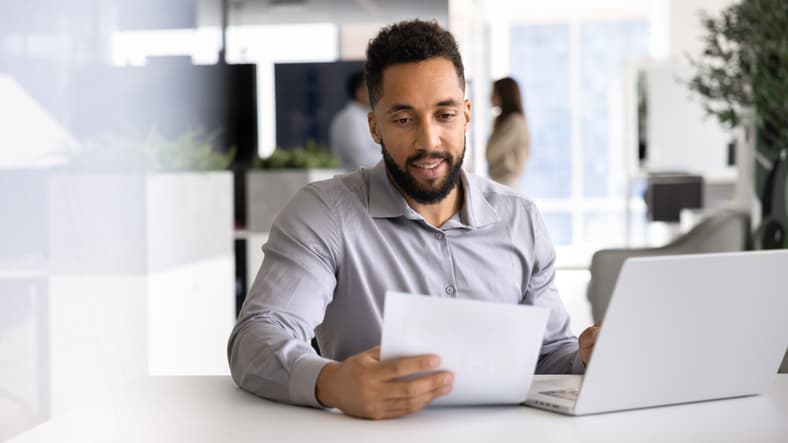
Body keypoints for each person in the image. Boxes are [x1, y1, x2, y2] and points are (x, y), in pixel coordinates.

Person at [228, 19, 599, 421]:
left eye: (445, 114)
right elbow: (256, 338)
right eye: (404, 119)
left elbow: (548, 355)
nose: (429, 141)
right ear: (375, 126)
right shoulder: (323, 214)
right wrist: (332, 382)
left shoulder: (520, 219)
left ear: (467, 115)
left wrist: (586, 358)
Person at [329, 70, 381, 171]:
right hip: (357, 183)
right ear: (359, 91)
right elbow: (362, 159)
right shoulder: (350, 118)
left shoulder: (365, 116)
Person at [486, 77, 530, 189]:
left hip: (507, 182)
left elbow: (490, 152)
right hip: (499, 181)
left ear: (504, 95)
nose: (490, 97)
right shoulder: (501, 121)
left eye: (494, 93)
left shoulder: (515, 122)